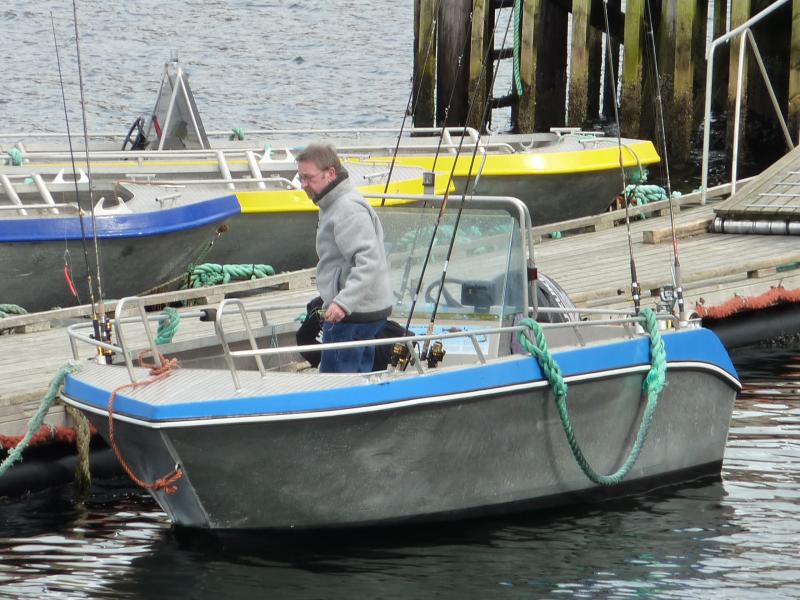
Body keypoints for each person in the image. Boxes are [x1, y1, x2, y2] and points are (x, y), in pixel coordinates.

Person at [296, 144, 392, 373]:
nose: (303, 185)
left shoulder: (347, 209)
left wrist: (343, 303)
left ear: (330, 173)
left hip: (354, 316)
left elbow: (369, 260)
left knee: (335, 384)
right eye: (300, 178)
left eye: (309, 178)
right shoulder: (331, 202)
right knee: (361, 380)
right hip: (360, 311)